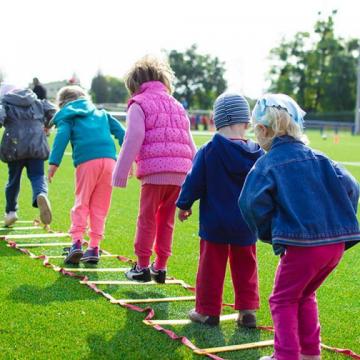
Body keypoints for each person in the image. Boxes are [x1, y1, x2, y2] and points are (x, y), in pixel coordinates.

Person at [238, 94, 360, 360]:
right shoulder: (321, 158)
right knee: (305, 294)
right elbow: (352, 186)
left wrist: (271, 232)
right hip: (334, 247)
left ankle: (286, 356)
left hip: (303, 248)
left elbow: (249, 202)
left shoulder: (267, 163)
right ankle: (310, 353)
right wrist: (340, 221)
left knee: (282, 300)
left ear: (262, 130)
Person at [176, 93, 264, 326]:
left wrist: (184, 204)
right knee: (246, 266)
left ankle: (207, 311)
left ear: (215, 120)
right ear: (246, 123)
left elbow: (194, 181)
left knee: (210, 268)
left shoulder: (209, 150)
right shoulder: (258, 153)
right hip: (246, 222)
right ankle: (247, 311)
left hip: (214, 222)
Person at [112, 55, 197, 283]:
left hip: (154, 173)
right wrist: (196, 177)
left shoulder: (138, 104)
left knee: (147, 219)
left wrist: (120, 172)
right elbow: (190, 143)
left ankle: (141, 267)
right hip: (180, 174)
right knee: (166, 220)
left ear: (134, 84)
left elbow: (134, 137)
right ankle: (160, 267)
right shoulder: (177, 105)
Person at [48, 86, 125, 264]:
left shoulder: (68, 116)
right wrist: (130, 159)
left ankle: (76, 243)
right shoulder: (102, 114)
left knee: (82, 202)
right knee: (100, 206)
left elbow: (62, 136)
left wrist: (54, 163)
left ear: (62, 103)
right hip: (109, 162)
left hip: (87, 161)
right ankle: (94, 248)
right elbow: (123, 134)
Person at [0, 84, 55, 226]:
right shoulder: (36, 101)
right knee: (37, 176)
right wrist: (47, 126)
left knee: (13, 180)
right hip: (36, 144)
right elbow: (53, 111)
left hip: (14, 146)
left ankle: (11, 212)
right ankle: (40, 195)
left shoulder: (6, 103)